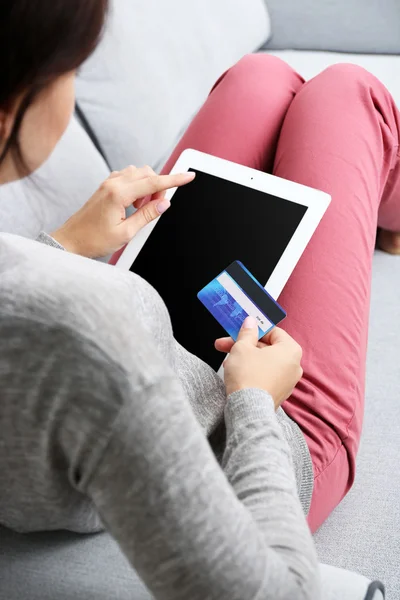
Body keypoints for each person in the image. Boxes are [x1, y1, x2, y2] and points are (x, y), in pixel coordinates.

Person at [0, 0, 397, 598]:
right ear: (10, 112)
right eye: (71, 70)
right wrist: (255, 398)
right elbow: (271, 588)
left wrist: (61, 245)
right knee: (351, 92)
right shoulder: (84, 339)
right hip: (253, 439)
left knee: (257, 78)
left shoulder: (45, 290)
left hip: (149, 329)